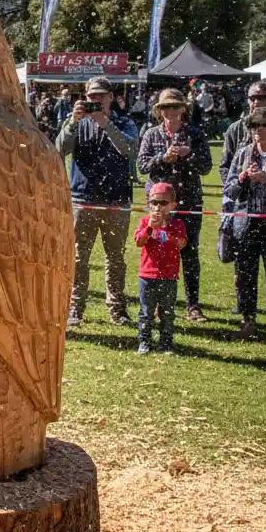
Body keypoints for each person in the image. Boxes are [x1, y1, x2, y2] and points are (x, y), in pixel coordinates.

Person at [56, 76, 139, 327]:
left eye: (101, 95)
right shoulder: (77, 123)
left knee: (115, 258)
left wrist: (106, 124)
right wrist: (72, 122)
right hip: (83, 199)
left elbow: (129, 149)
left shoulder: (125, 122)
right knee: (79, 259)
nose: (96, 100)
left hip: (117, 201)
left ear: (111, 97)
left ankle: (117, 309)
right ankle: (75, 308)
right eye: (92, 96)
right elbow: (59, 149)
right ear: (85, 97)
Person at [137, 88, 213, 322]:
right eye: (164, 108)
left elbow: (207, 167)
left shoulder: (195, 135)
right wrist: (163, 158)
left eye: (173, 107)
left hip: (188, 202)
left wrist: (188, 154)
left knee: (189, 253)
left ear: (183, 109)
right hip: (159, 204)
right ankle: (160, 304)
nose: (169, 111)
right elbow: (141, 165)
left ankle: (192, 305)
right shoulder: (151, 133)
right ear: (159, 111)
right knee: (158, 251)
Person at [223, 107, 266, 344]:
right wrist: (242, 178)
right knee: (245, 277)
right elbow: (229, 189)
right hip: (246, 225)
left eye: (261, 125)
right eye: (253, 126)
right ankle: (248, 323)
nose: (256, 131)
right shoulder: (243, 154)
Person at [133, 183, 187, 355]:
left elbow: (181, 244)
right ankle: (145, 342)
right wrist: (150, 227)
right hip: (147, 275)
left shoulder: (177, 224)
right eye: (154, 202)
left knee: (167, 313)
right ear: (149, 204)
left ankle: (166, 343)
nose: (158, 207)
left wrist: (165, 228)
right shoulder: (144, 222)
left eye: (163, 203)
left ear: (173, 205)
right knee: (146, 312)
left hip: (169, 276)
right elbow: (139, 242)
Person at [219, 81, 266, 182]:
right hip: (243, 192)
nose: (256, 102)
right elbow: (225, 167)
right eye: (252, 98)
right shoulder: (235, 129)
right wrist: (234, 190)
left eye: (261, 98)